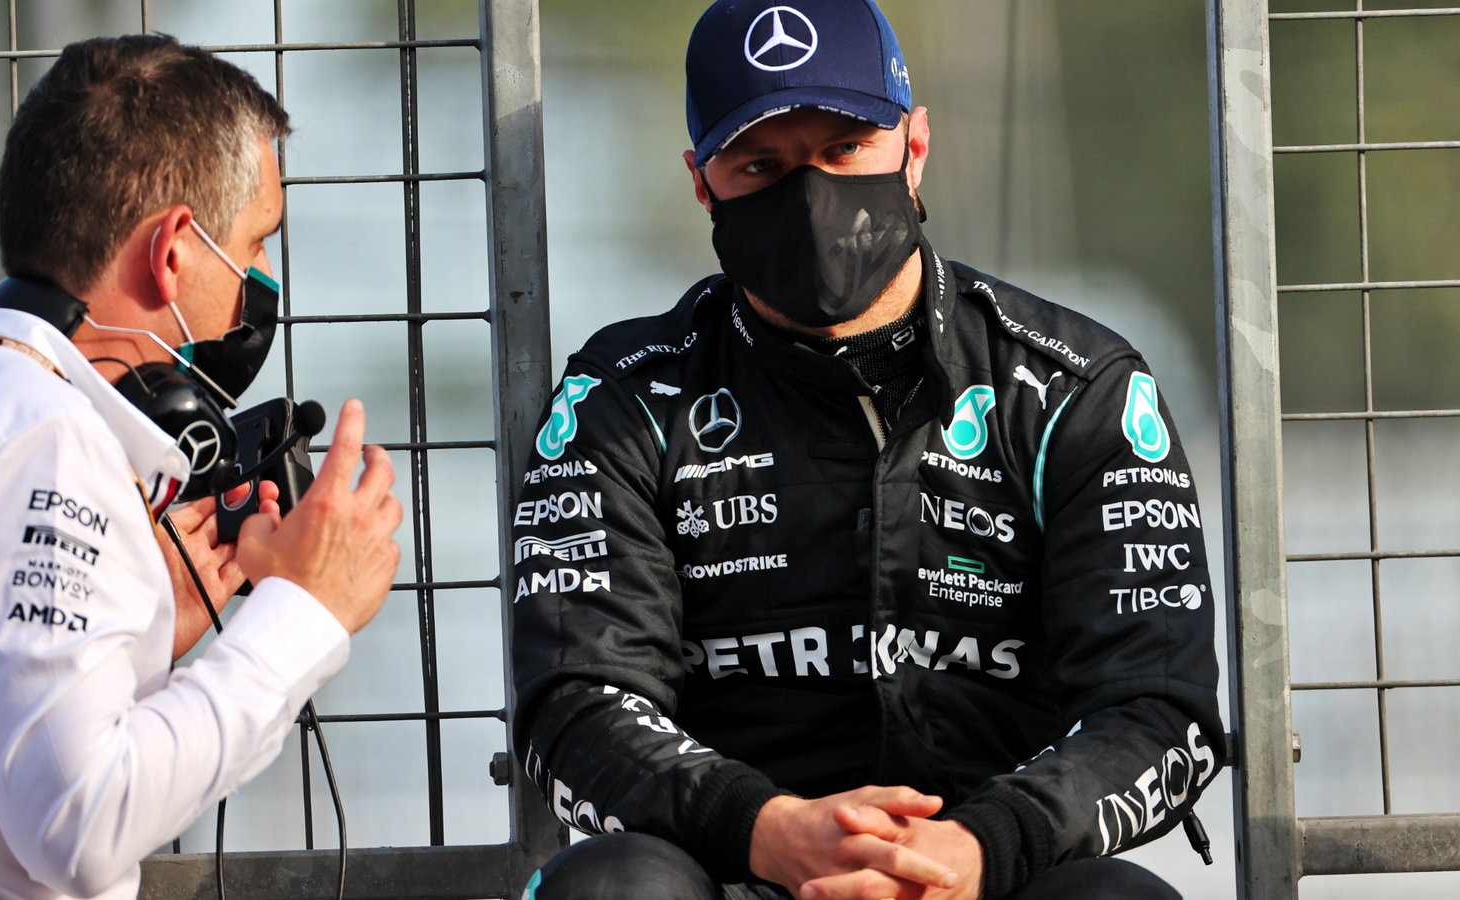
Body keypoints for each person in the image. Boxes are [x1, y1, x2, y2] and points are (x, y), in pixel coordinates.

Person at [510, 2, 1224, 898]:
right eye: (762, 166)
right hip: (733, 868)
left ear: (914, 147)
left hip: (989, 870)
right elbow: (571, 702)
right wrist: (768, 832)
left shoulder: (1079, 391)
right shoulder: (624, 399)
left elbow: (1159, 705)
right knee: (613, 888)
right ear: (703, 183)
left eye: (845, 150)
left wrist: (975, 847)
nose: (810, 196)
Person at [0, 34, 402, 899]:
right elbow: (79, 823)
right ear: (175, 249)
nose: (261, 277)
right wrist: (308, 609)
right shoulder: (51, 446)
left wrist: (147, 628)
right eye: (257, 243)